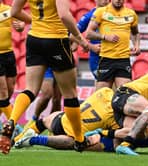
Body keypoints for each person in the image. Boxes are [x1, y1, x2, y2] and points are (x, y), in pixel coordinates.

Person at [0, 0, 90, 155]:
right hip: (56, 40)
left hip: (34, 39)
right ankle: (79, 139)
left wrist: (34, 21)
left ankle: (12, 121)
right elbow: (64, 16)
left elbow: (14, 11)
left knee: (31, 89)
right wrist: (79, 38)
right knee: (70, 94)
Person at [14, 87, 148, 151]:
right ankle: (32, 139)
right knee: (76, 142)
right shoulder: (115, 119)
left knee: (46, 119)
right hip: (71, 133)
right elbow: (116, 143)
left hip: (60, 119)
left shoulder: (106, 92)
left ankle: (20, 134)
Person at [14, 112, 148, 153]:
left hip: (119, 126)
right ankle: (31, 138)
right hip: (115, 132)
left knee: (60, 120)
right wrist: (104, 132)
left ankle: (25, 133)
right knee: (79, 143)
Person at [111, 53, 148, 155]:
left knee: (145, 133)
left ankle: (104, 135)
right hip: (126, 93)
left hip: (125, 106)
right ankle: (127, 144)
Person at [86, 0, 140, 90]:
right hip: (106, 59)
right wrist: (105, 37)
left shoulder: (131, 14)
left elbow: (135, 33)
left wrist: (137, 45)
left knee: (124, 93)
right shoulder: (101, 11)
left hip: (123, 59)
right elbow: (88, 33)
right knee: (102, 96)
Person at [0, 1, 28, 138]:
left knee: (10, 89)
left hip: (8, 55)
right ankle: (14, 127)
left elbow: (20, 24)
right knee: (3, 91)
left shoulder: (8, 10)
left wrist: (21, 26)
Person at [71, 0, 109, 80]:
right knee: (103, 84)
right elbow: (72, 35)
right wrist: (90, 46)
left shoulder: (116, 15)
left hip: (114, 56)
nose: (106, 0)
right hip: (97, 58)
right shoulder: (89, 16)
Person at [23, 68, 62, 132]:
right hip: (47, 67)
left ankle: (53, 126)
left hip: (61, 66)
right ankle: (34, 119)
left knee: (57, 100)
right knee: (47, 95)